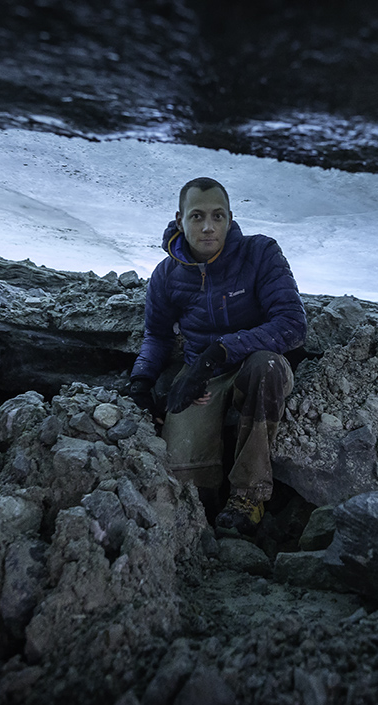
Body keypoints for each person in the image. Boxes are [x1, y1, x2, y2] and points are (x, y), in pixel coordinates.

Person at [127, 177, 306, 534]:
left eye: (217, 216)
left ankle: (248, 497)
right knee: (183, 476)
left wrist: (219, 351)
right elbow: (157, 335)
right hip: (202, 374)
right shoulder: (166, 275)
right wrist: (141, 383)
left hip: (254, 362)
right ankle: (202, 515)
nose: (208, 226)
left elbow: (292, 324)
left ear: (229, 218)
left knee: (266, 366)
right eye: (197, 216)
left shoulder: (260, 253)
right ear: (180, 220)